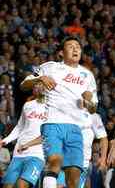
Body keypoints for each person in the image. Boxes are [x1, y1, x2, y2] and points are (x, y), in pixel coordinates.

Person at [20, 36, 98, 188]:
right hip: (53, 123)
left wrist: (89, 103)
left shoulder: (88, 75)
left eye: (78, 46)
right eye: (70, 46)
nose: (75, 49)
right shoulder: (50, 67)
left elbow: (93, 107)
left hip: (76, 128)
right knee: (55, 161)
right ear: (61, 53)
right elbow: (24, 85)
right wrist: (40, 78)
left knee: (74, 176)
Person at [0, 83, 47, 188]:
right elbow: (19, 127)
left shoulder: (53, 107)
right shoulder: (28, 105)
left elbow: (48, 134)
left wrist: (29, 144)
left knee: (21, 185)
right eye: (35, 86)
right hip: (18, 153)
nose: (38, 88)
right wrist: (5, 141)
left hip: (37, 154)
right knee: (7, 186)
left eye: (41, 85)